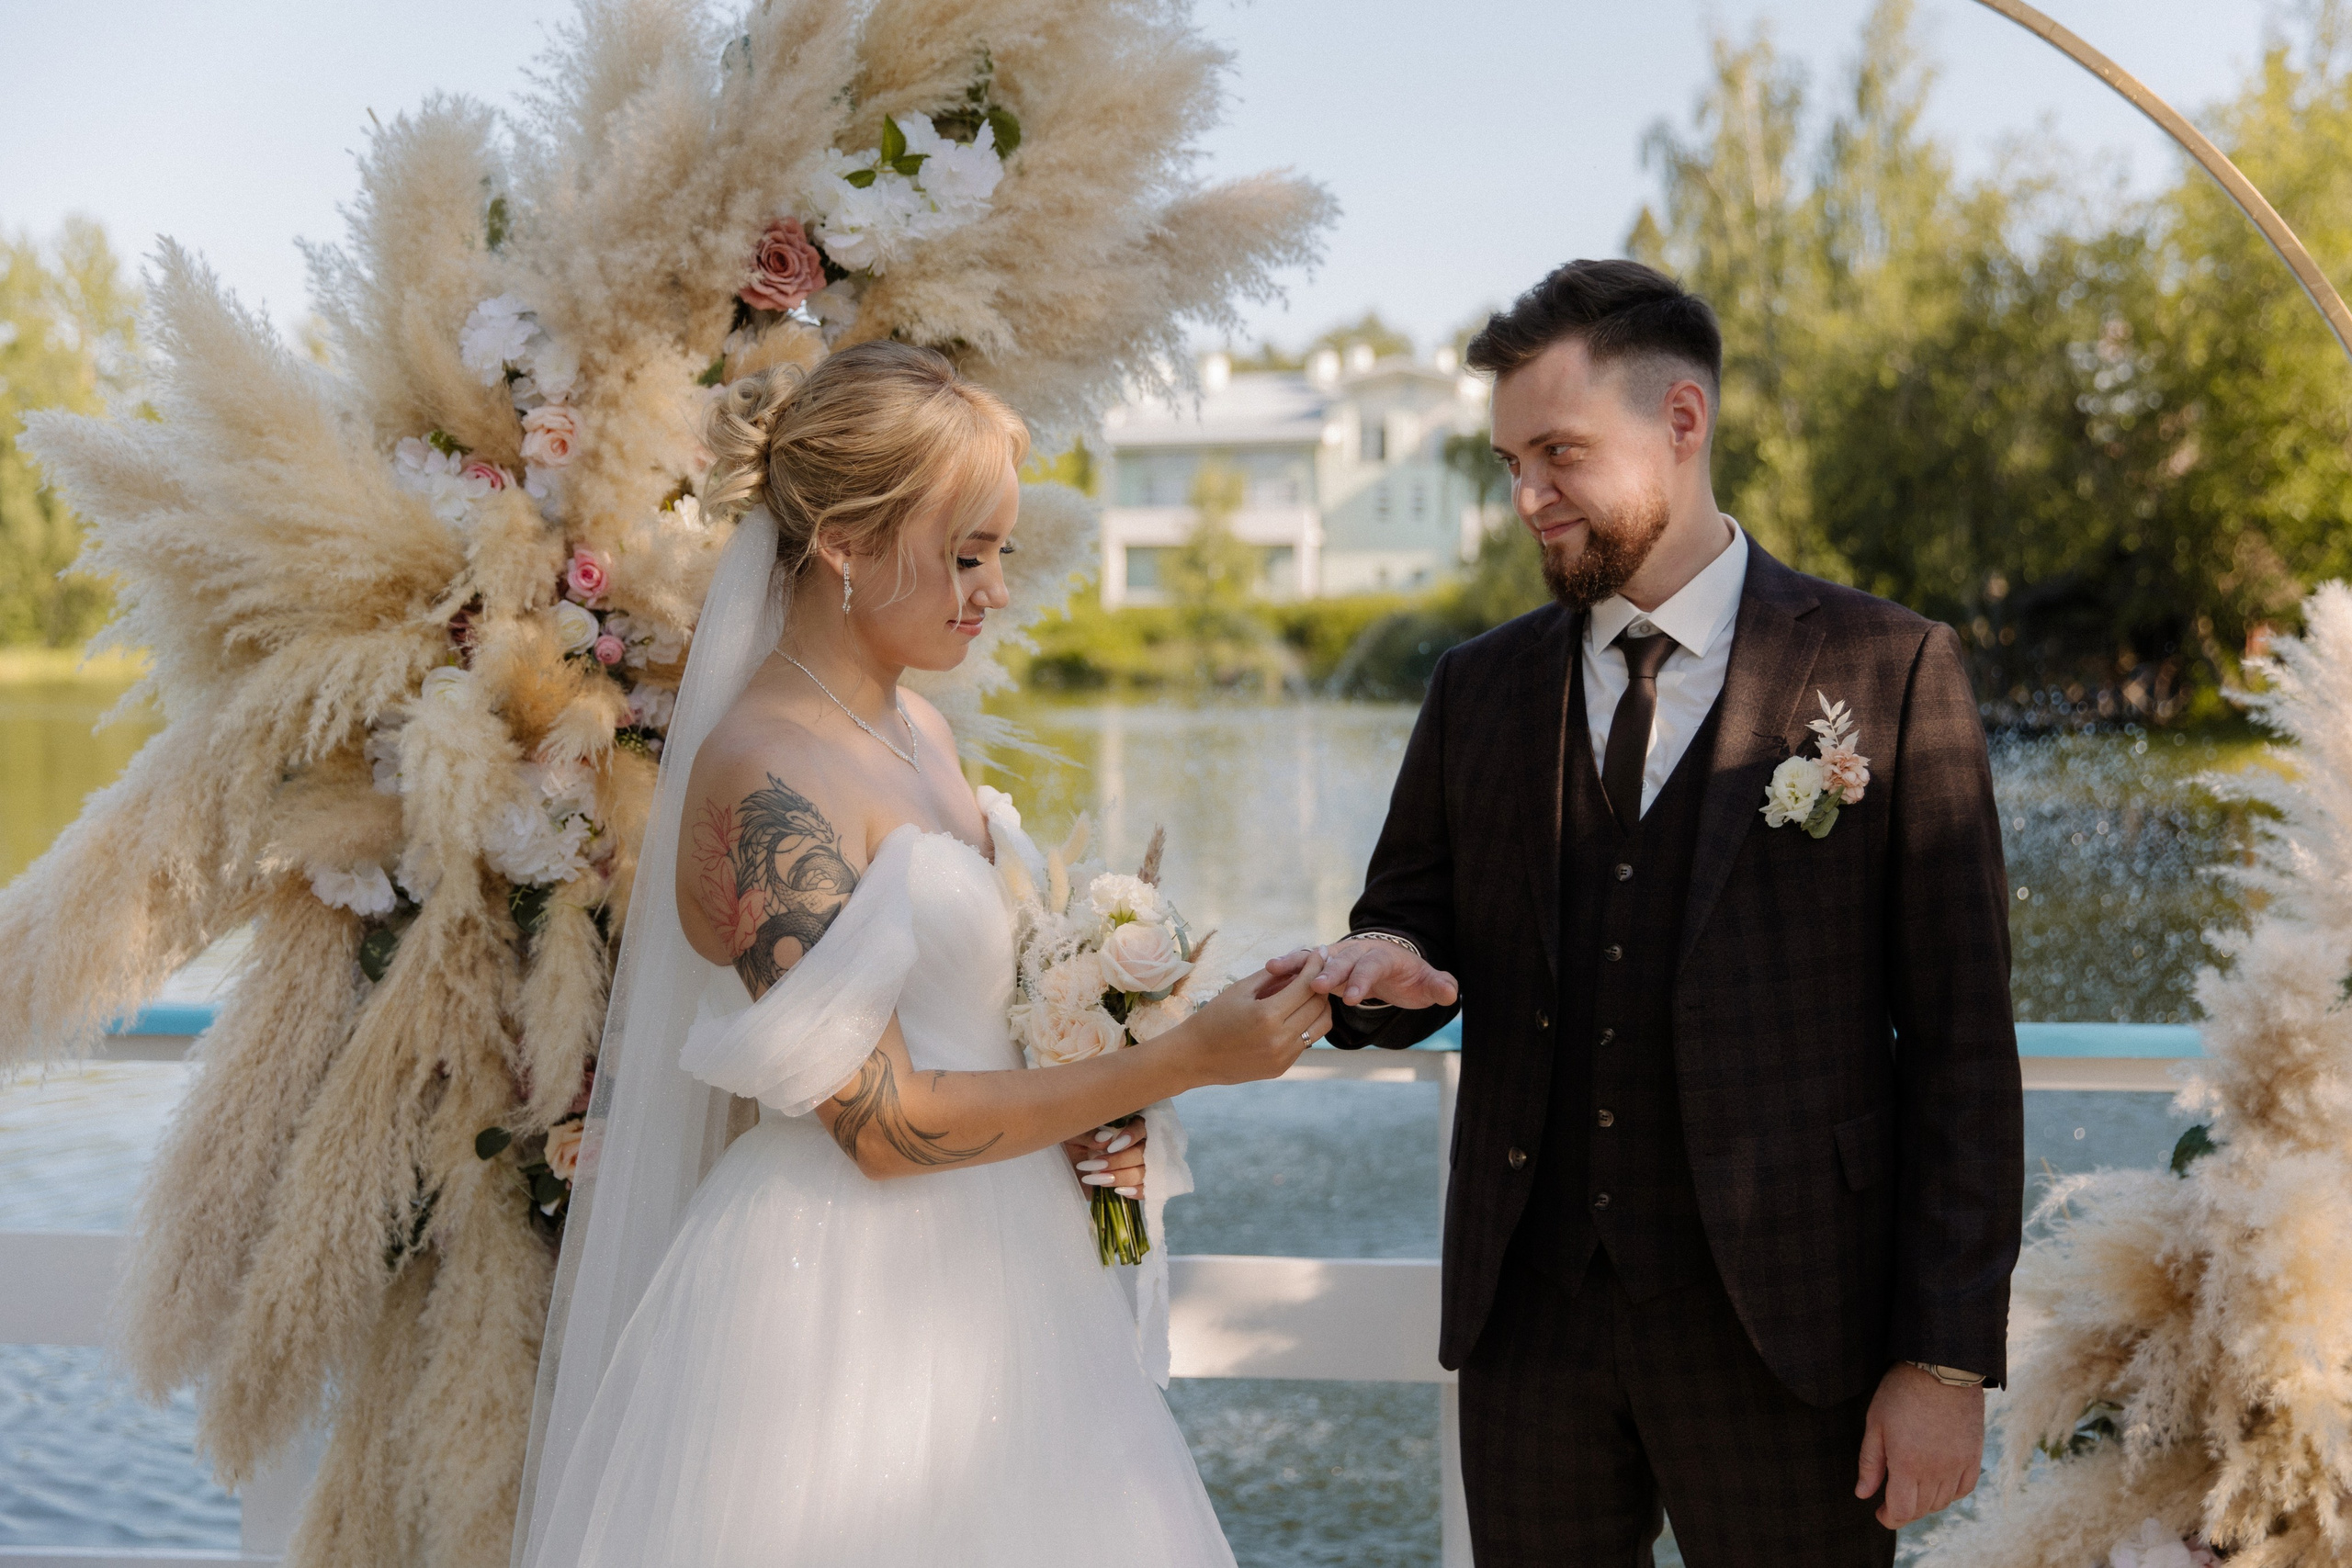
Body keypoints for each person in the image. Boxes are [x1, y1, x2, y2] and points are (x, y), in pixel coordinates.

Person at [515, 342, 1329, 1568]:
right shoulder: (764, 772)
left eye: (997, 552)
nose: (994, 588)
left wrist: (1103, 1059)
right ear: (844, 541)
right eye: (967, 553)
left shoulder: (921, 728)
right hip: (844, 1308)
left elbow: (973, 1018)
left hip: (1011, 1286)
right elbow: (883, 1124)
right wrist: (1182, 1065)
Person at [1268, 260, 2023, 1564]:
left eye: (1559, 454)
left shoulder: (1890, 670)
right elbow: (1406, 919)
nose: (1526, 500)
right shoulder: (1478, 689)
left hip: (1792, 1333)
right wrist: (1378, 967)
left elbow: (1963, 1049)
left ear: (1683, 421)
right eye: (1509, 462)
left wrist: (1944, 1365)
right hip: (1534, 1331)